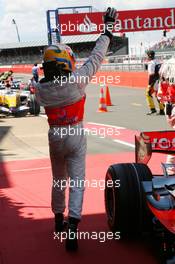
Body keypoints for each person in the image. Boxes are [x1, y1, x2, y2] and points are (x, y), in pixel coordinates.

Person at [35, 7, 117, 251]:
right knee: (77, 182)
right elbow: (96, 58)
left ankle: (58, 219)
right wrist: (108, 29)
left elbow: (40, 87)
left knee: (59, 180)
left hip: (54, 135)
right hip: (75, 134)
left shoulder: (41, 90)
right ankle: (73, 226)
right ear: (64, 63)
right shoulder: (76, 81)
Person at [146, 50, 164, 115]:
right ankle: (162, 110)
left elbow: (151, 74)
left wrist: (149, 84)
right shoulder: (158, 61)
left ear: (149, 56)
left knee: (148, 94)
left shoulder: (151, 63)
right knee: (158, 94)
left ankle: (152, 109)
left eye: (147, 55)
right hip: (161, 80)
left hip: (155, 81)